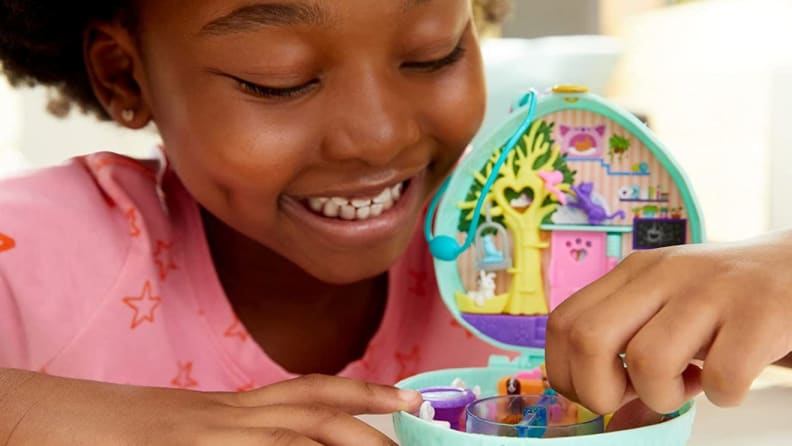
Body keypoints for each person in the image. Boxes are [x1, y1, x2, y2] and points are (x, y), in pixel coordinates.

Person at [0, 0, 513, 444]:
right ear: (124, 75)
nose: (379, 137)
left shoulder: (535, 227)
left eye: (433, 53)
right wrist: (27, 415)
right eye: (279, 81)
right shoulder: (39, 257)